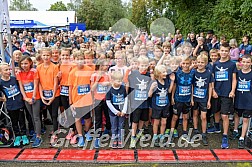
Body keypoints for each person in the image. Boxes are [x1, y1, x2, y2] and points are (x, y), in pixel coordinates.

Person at [208, 42, 237, 149]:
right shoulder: (215, 64)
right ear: (219, 51)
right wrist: (213, 91)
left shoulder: (232, 64)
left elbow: (234, 79)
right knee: (216, 111)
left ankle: (225, 136)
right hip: (217, 92)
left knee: (224, 115)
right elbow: (212, 79)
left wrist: (232, 91)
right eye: (222, 50)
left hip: (227, 93)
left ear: (229, 52)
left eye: (226, 51)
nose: (224, 52)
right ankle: (216, 126)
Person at [0, 63, 29, 147]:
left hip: (19, 103)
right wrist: (2, 98)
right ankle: (17, 136)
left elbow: (21, 87)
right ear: (1, 72)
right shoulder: (1, 82)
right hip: (10, 105)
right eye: (6, 70)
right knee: (14, 121)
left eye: (9, 69)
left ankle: (24, 135)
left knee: (22, 120)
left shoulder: (14, 79)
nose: (9, 71)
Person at [68, 51, 93, 147]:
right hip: (76, 100)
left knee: (87, 119)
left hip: (87, 100)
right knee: (77, 119)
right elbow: (70, 87)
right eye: (77, 59)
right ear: (74, 60)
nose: (80, 61)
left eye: (81, 59)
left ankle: (86, 131)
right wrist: (71, 102)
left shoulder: (89, 69)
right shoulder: (72, 72)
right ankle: (80, 136)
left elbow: (91, 85)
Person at [16, 55, 42, 147]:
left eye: (26, 63)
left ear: (30, 63)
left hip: (35, 97)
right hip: (26, 98)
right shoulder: (19, 73)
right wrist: (26, 97)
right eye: (22, 63)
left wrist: (33, 97)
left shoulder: (34, 71)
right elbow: (21, 86)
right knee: (31, 116)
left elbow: (36, 85)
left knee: (36, 117)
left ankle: (38, 136)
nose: (24, 65)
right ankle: (36, 132)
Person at [126, 57, 152, 148]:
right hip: (135, 103)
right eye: (142, 65)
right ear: (138, 65)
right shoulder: (133, 74)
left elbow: (151, 85)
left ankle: (139, 133)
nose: (144, 67)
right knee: (135, 120)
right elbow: (127, 83)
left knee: (142, 119)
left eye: (145, 65)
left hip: (144, 102)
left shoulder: (149, 75)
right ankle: (133, 137)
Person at [37, 48, 61, 146]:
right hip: (45, 94)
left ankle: (54, 134)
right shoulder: (39, 67)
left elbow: (56, 83)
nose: (46, 57)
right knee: (50, 112)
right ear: (41, 56)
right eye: (44, 55)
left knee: (55, 114)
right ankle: (56, 128)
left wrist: (53, 96)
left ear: (50, 56)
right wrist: (42, 96)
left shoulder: (55, 67)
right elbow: (39, 82)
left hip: (55, 94)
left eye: (48, 55)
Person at [148, 65, 175, 147]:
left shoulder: (166, 80)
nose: (166, 73)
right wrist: (151, 89)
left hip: (165, 105)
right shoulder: (155, 82)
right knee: (156, 122)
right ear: (158, 73)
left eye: (165, 72)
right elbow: (149, 95)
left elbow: (169, 91)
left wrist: (172, 81)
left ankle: (162, 136)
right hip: (157, 106)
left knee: (164, 122)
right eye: (163, 72)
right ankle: (155, 136)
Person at [170, 56, 194, 143]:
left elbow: (192, 86)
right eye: (183, 63)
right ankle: (171, 133)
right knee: (175, 117)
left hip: (187, 99)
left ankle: (185, 133)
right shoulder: (178, 73)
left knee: (185, 117)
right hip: (178, 99)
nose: (185, 65)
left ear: (190, 64)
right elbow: (175, 86)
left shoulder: (192, 73)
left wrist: (191, 99)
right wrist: (172, 97)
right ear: (181, 64)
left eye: (187, 63)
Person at [191, 54, 213, 146]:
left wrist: (209, 100)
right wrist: (191, 98)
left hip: (204, 98)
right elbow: (191, 85)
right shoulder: (193, 72)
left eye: (202, 62)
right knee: (195, 113)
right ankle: (196, 129)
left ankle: (204, 133)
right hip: (195, 97)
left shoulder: (208, 73)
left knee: (203, 116)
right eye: (198, 62)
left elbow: (210, 87)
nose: (200, 64)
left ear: (206, 63)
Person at [91, 59, 111, 148]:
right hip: (97, 100)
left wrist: (108, 83)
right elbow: (92, 89)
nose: (107, 67)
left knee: (108, 116)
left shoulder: (108, 75)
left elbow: (112, 85)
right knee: (98, 119)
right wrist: (97, 81)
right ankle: (97, 137)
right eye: (105, 65)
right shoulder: (94, 75)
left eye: (107, 65)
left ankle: (108, 129)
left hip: (106, 99)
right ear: (100, 66)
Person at [232, 55, 252, 148]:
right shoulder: (238, 73)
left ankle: (242, 137)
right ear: (241, 62)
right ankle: (235, 130)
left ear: (251, 63)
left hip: (248, 100)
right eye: (244, 62)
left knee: (245, 119)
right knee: (237, 115)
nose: (245, 64)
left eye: (248, 62)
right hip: (238, 99)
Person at [106, 71, 128, 148]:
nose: (120, 82)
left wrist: (124, 110)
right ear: (112, 80)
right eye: (118, 81)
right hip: (113, 113)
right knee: (114, 126)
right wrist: (115, 112)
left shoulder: (122, 88)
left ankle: (120, 139)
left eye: (121, 80)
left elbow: (126, 99)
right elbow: (108, 102)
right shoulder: (109, 90)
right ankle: (114, 139)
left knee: (121, 126)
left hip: (122, 112)